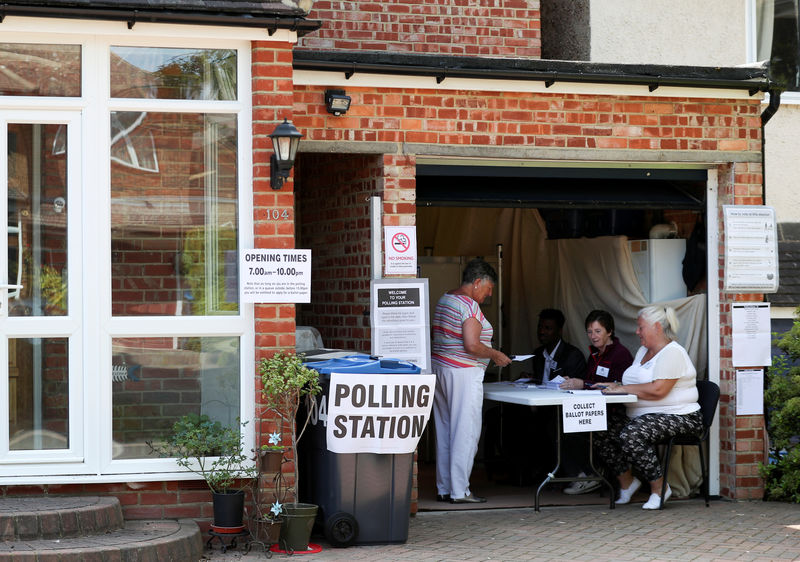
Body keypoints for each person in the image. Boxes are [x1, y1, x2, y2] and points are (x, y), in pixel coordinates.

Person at [592, 305, 703, 509]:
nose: (637, 332)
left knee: (631, 434)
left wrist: (622, 389)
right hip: (645, 414)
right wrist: (617, 386)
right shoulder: (644, 350)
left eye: (641, 327)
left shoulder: (672, 353)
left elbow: (658, 390)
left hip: (680, 416)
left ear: (657, 327)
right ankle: (627, 483)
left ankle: (660, 488)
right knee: (599, 427)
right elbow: (638, 382)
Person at [432, 258, 512, 504]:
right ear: (477, 282)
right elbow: (472, 344)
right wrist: (496, 354)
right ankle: (460, 491)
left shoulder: (446, 298)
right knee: (465, 432)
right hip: (463, 374)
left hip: (441, 369)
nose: (488, 295)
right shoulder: (469, 306)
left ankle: (445, 487)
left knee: (445, 431)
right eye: (488, 288)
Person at [562, 310, 633, 495]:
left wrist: (583, 383)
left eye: (598, 331)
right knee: (564, 425)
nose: (593, 336)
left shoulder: (620, 355)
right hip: (596, 409)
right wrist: (576, 382)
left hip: (616, 412)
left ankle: (591, 475)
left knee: (583, 430)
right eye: (589, 332)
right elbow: (590, 382)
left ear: (609, 331)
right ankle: (585, 474)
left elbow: (617, 386)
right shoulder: (594, 354)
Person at [531, 308, 586, 385]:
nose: (541, 331)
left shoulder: (573, 356)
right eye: (540, 327)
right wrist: (529, 378)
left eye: (547, 328)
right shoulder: (537, 354)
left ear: (560, 331)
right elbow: (539, 381)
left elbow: (576, 388)